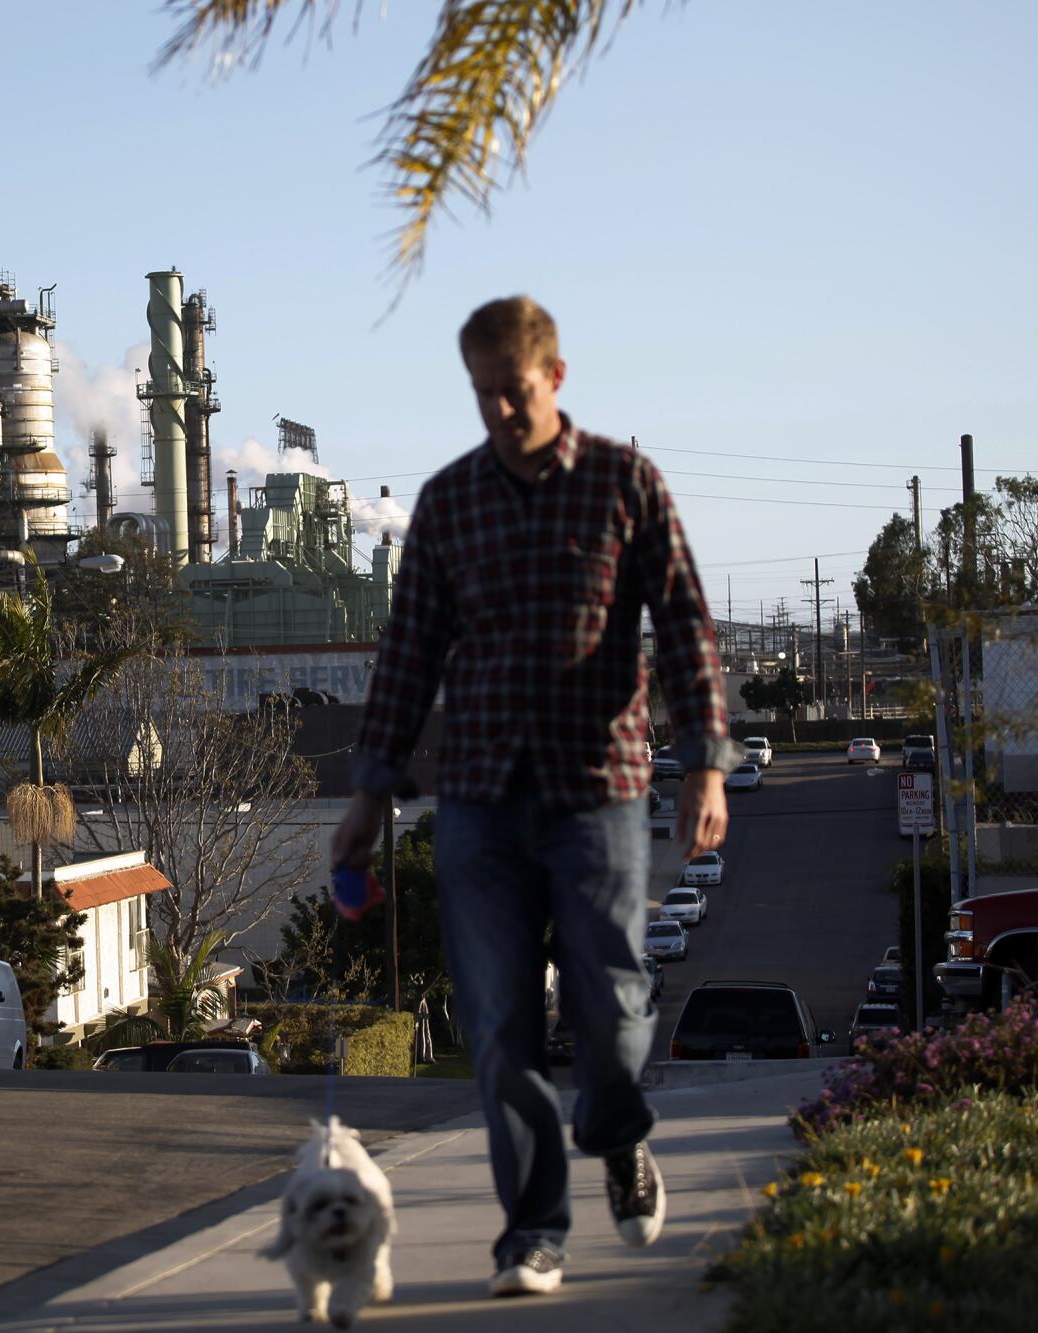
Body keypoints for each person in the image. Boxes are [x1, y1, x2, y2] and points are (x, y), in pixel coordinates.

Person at [331, 296, 736, 1298]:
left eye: (512, 392)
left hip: (595, 789)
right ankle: (532, 1232)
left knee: (612, 1005)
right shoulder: (447, 502)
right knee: (500, 1027)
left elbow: (683, 625)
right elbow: (406, 656)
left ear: (554, 378)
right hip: (476, 796)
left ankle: (616, 1131)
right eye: (480, 396)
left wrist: (706, 763)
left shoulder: (620, 483)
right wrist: (370, 793)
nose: (498, 412)